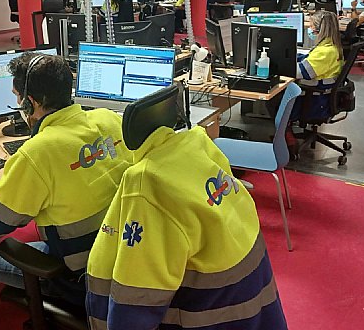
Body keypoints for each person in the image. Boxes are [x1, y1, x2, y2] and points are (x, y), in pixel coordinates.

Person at [0, 53, 133, 330]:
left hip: (79, 276)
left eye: (17, 97)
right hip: (120, 255)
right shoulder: (109, 119)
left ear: (31, 102)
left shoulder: (37, 154)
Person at [86, 124, 288, 329]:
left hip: (216, 315)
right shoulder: (197, 143)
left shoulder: (147, 183)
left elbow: (133, 309)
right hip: (254, 307)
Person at [293, 10, 344, 121]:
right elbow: (310, 60)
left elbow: (301, 72)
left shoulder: (326, 52)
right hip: (320, 96)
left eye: (311, 26)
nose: (309, 29)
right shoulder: (330, 46)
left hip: (314, 100)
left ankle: (284, 126)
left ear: (318, 29)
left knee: (275, 94)